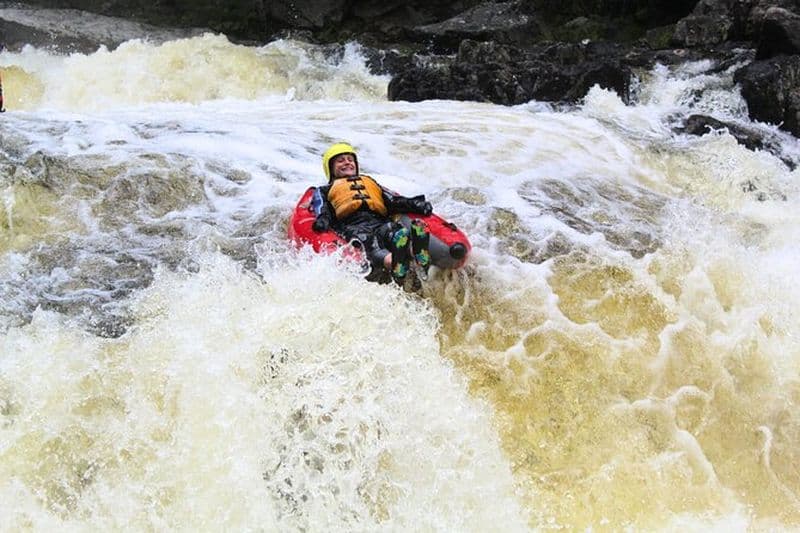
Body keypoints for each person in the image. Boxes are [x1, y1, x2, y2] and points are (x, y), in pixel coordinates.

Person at [311, 142, 432, 284]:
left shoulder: (369, 182)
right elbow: (322, 207)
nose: (347, 163)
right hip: (353, 225)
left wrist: (415, 204)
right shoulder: (325, 189)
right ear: (331, 168)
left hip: (379, 221)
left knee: (394, 231)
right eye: (340, 160)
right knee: (372, 244)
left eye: (350, 160)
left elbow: (392, 201)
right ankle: (399, 261)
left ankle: (414, 253)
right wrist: (323, 220)